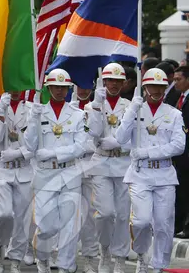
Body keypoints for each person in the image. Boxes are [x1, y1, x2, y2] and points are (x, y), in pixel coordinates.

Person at [116, 67, 185, 273]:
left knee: (163, 224)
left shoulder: (174, 114)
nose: (156, 90)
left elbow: (178, 146)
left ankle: (158, 266)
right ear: (144, 87)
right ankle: (141, 253)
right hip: (140, 174)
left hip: (164, 173)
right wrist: (130, 112)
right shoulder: (135, 110)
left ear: (165, 88)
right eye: (152, 86)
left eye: (160, 86)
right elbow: (120, 139)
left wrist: (148, 152)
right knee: (141, 221)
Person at [24, 69, 86, 273]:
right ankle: (42, 256)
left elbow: (81, 146)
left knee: (69, 226)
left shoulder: (77, 115)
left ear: (68, 89)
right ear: (49, 88)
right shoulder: (39, 112)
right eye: (56, 87)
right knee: (46, 225)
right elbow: (29, 146)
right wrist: (33, 120)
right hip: (45, 175)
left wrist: (53, 153)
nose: (60, 91)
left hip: (69, 173)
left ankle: (66, 266)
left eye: (63, 87)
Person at [85, 63, 131, 273]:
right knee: (104, 213)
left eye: (117, 81)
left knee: (122, 215)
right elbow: (93, 133)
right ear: (103, 82)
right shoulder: (92, 105)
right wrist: (96, 104)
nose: (113, 84)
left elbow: (136, 138)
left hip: (123, 163)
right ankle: (104, 251)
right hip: (101, 163)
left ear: (124, 83)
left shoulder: (130, 105)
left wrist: (120, 144)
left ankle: (120, 257)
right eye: (109, 81)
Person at [0, 90, 35, 273]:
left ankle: (15, 259)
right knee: (3, 215)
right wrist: (1, 111)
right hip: (1, 170)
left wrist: (18, 153)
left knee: (23, 219)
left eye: (18, 87)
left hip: (23, 169)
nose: (15, 91)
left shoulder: (31, 109)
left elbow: (36, 143)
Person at [71, 85, 99, 273]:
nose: (82, 90)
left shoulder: (96, 107)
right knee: (69, 214)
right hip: (70, 165)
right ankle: (67, 256)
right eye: (78, 86)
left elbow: (98, 137)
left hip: (90, 164)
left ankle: (90, 257)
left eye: (86, 86)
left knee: (90, 215)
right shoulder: (67, 107)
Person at [171, 66, 189, 238]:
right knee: (181, 190)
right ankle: (179, 225)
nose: (175, 83)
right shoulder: (179, 97)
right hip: (180, 153)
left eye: (179, 79)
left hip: (187, 151)